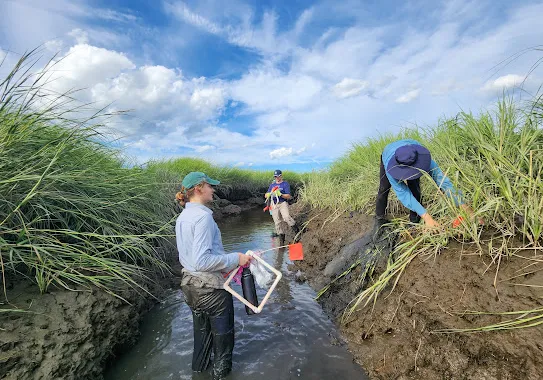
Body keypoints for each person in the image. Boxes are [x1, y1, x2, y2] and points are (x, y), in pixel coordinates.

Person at [175, 171, 252, 380]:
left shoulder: (183, 217)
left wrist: (227, 262)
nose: (213, 190)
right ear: (199, 188)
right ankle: (221, 376)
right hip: (211, 293)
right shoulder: (203, 217)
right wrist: (236, 258)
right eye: (210, 186)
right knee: (223, 344)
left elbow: (192, 259)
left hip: (190, 289)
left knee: (202, 340)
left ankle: (198, 373)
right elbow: (202, 261)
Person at [376, 139, 478, 229]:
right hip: (388, 155)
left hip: (411, 154)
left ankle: (414, 220)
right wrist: (428, 218)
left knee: (414, 187)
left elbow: (443, 182)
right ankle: (379, 217)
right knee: (384, 188)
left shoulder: (423, 159)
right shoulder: (391, 168)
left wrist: (465, 207)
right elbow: (404, 194)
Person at [265, 169, 300, 243]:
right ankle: (281, 241)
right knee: (277, 222)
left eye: (278, 176)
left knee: (286, 217)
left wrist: (280, 194)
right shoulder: (272, 185)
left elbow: (288, 196)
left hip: (282, 203)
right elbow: (266, 195)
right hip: (274, 204)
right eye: (275, 176)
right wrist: (268, 194)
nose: (277, 178)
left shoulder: (285, 184)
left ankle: (297, 232)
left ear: (281, 176)